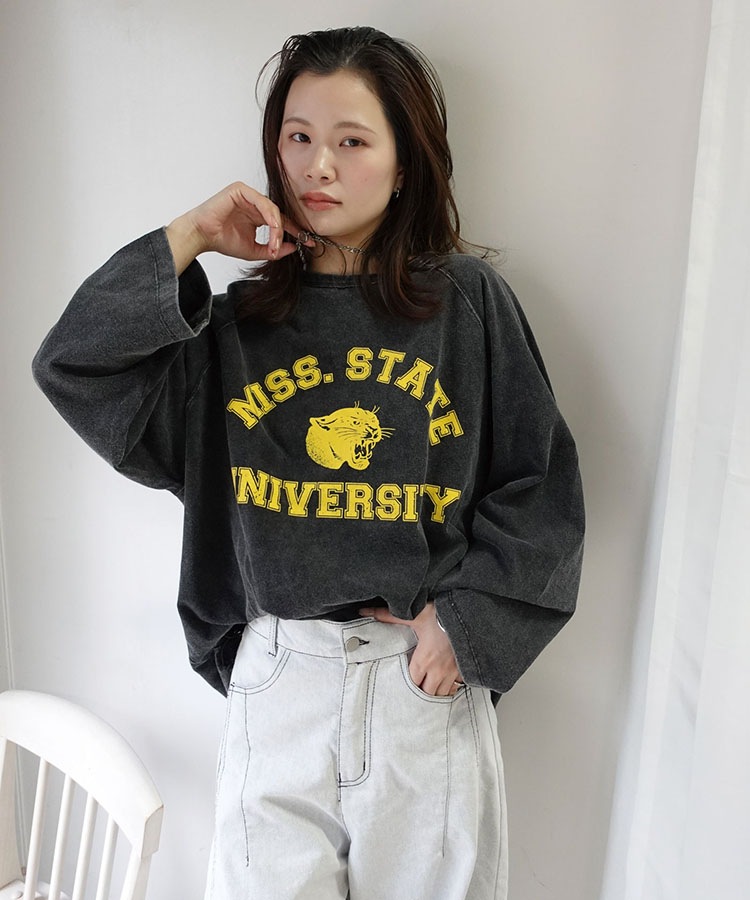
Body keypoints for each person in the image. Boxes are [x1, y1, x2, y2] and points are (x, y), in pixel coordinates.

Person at [32, 26, 584, 900]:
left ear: (403, 165)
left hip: (419, 682)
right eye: (298, 137)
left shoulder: (464, 306)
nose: (317, 166)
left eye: (351, 142)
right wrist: (191, 235)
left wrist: (469, 624)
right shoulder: (237, 328)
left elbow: (540, 482)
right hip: (279, 676)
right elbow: (74, 364)